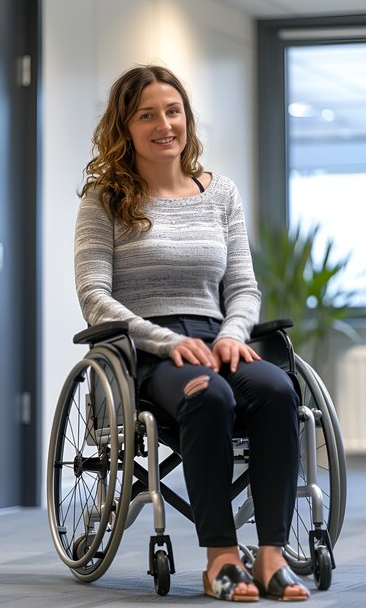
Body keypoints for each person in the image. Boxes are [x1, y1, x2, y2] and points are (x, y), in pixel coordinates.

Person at [74, 64, 310, 602]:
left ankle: (271, 557)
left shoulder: (219, 191)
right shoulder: (103, 199)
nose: (165, 124)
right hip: (145, 351)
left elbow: (244, 286)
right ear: (125, 127)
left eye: (173, 111)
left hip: (218, 339)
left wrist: (232, 332)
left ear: (187, 118)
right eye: (147, 115)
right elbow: (94, 294)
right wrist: (165, 342)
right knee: (210, 395)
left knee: (277, 390)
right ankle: (221, 559)